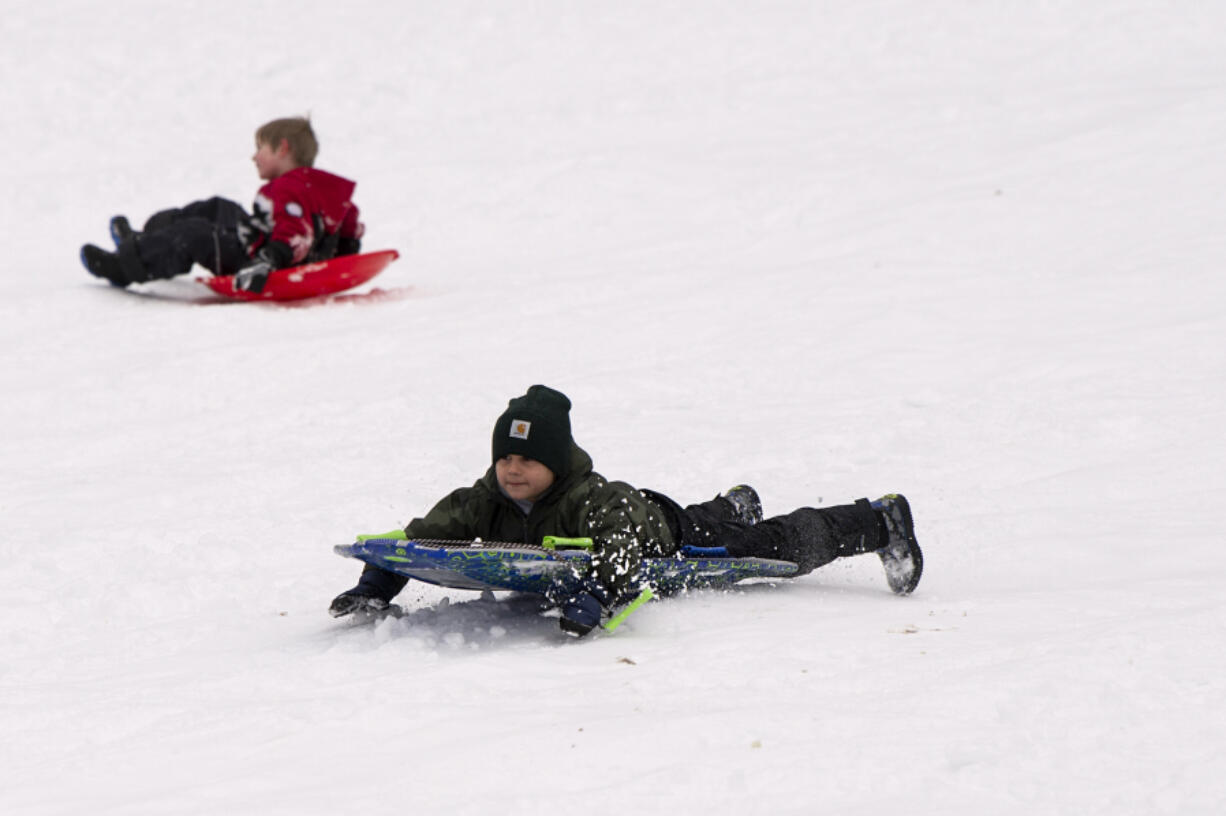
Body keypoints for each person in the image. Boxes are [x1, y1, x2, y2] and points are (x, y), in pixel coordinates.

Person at [329, 385, 924, 637]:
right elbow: (422, 539)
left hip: (666, 536)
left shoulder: (593, 498)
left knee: (772, 549)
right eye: (504, 457)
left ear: (558, 464)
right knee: (724, 520)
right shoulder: (486, 500)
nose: (513, 470)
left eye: (527, 460)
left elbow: (622, 552)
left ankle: (879, 521)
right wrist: (377, 582)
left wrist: (600, 600)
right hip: (656, 518)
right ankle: (732, 505)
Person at [80, 116, 363, 293]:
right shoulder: (324, 190)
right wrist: (345, 255)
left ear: (283, 148)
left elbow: (295, 233)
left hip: (260, 263)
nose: (254, 157)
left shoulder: (290, 189)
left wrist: (268, 261)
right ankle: (143, 241)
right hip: (263, 244)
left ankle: (123, 267)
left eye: (260, 149)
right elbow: (348, 223)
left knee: (195, 233)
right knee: (219, 207)